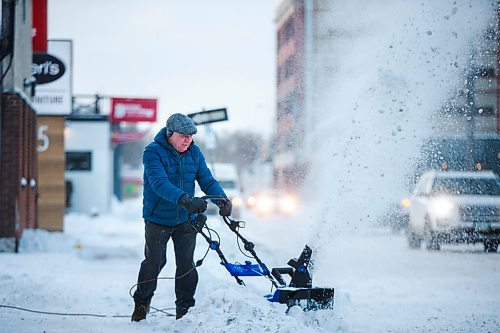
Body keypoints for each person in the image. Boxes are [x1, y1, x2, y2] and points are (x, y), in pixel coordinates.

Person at [131, 113, 232, 321]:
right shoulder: (153, 152)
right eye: (183, 135)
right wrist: (186, 199)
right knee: (154, 262)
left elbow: (206, 179)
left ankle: (184, 310)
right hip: (157, 218)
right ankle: (142, 304)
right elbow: (159, 184)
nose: (188, 139)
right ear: (170, 134)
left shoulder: (194, 152)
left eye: (191, 135)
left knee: (186, 264)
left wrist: (221, 199)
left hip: (185, 219)